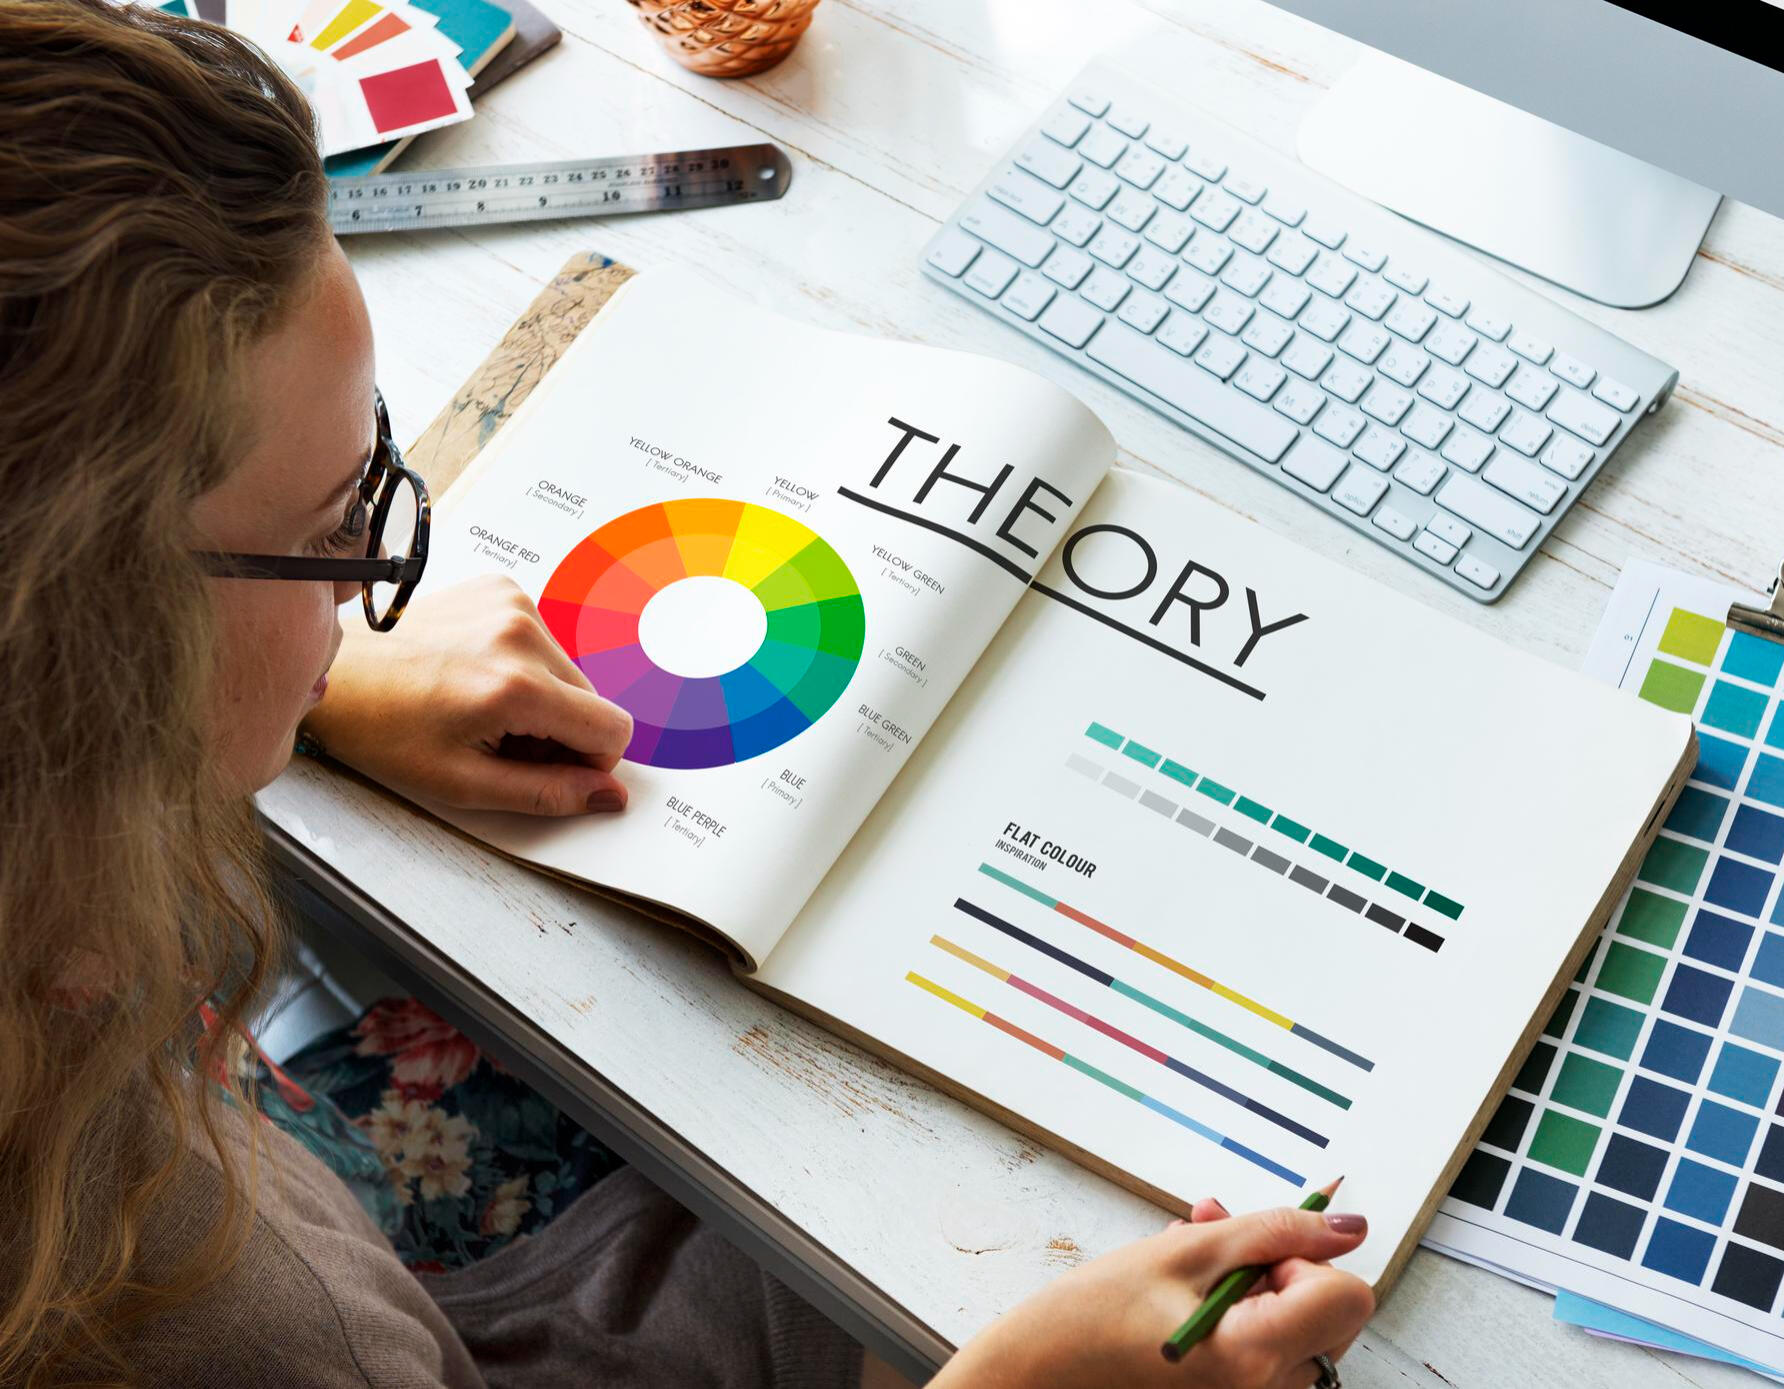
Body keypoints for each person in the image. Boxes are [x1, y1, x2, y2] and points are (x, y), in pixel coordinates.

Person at [0, 2, 1376, 1385]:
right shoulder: (257, 1339)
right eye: (330, 525)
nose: (371, 583)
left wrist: (312, 683)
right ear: (98, 656)